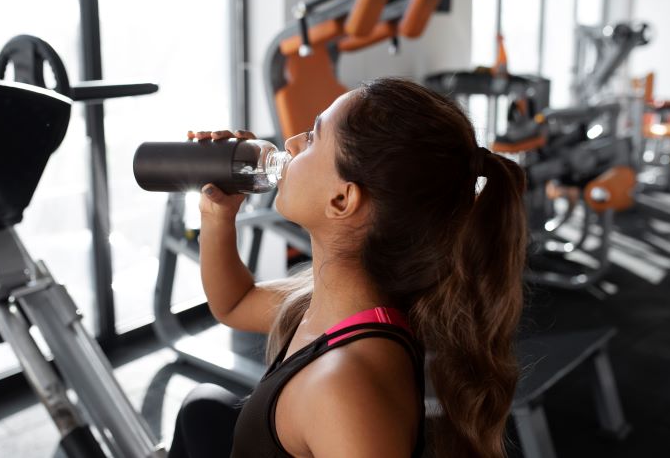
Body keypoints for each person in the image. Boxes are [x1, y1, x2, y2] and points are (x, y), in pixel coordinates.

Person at [170, 77, 527, 458]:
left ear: (342, 200)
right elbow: (235, 303)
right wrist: (217, 215)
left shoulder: (341, 386)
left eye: (312, 137)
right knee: (202, 408)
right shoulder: (328, 302)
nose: (290, 143)